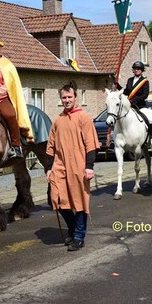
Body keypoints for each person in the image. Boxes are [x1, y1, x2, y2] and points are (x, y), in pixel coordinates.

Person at [45, 83, 99, 252]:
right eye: (64, 97)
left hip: (79, 166)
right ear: (60, 99)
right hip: (60, 166)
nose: (67, 100)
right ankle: (73, 226)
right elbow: (50, 146)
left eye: (69, 97)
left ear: (75, 97)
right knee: (56, 198)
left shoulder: (84, 117)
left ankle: (78, 236)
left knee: (79, 201)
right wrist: (48, 168)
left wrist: (89, 166)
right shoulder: (57, 119)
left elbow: (91, 144)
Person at [115, 61, 152, 141]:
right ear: (133, 70)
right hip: (130, 106)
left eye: (138, 69)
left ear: (142, 70)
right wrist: (118, 86)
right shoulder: (130, 80)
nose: (136, 70)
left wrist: (135, 100)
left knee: (150, 118)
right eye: (135, 69)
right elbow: (127, 91)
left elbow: (145, 95)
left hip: (140, 106)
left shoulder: (145, 81)